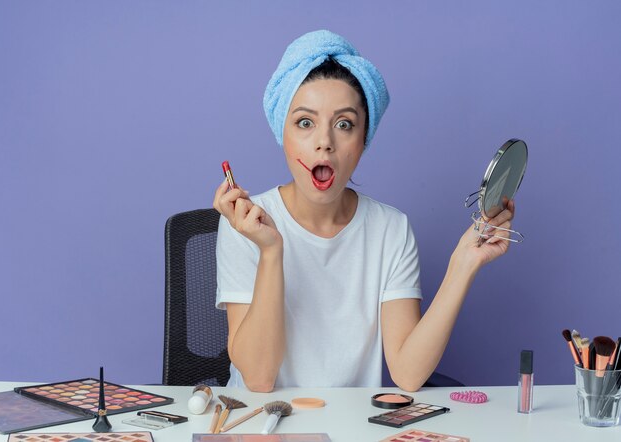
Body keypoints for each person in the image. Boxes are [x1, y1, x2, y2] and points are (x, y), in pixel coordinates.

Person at [212, 30, 514, 392]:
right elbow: (259, 380)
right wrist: (271, 250)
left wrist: (463, 265)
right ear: (283, 131)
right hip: (254, 424)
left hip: (351, 425)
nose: (324, 141)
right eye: (305, 122)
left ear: (363, 139)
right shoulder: (244, 224)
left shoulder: (391, 229)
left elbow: (407, 373)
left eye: (344, 124)